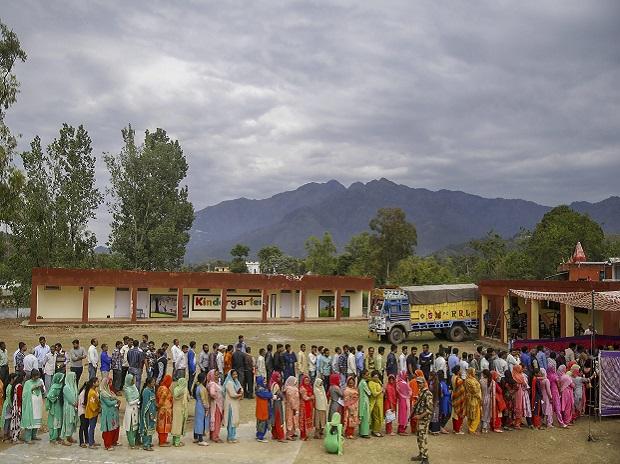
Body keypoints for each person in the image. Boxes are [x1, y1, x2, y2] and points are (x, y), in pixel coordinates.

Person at [411, 376, 433, 464]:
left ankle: (425, 458)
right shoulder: (421, 392)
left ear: (424, 383)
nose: (419, 384)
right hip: (420, 418)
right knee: (419, 437)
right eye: (418, 383)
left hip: (424, 419)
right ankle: (421, 454)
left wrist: (420, 416)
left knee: (423, 438)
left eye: (420, 383)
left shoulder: (428, 394)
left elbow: (429, 409)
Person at [21, 370, 44, 443]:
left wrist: (41, 388)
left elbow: (43, 392)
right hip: (30, 405)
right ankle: (28, 438)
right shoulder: (28, 383)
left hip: (38, 405)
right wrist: (33, 388)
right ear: (32, 376)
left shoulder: (40, 381)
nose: (37, 378)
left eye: (38, 376)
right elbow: (24, 394)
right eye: (36, 376)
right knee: (30, 420)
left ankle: (34, 435)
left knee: (37, 420)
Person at [99, 377, 120, 451]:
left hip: (112, 412)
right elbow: (108, 403)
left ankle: (113, 441)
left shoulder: (109, 392)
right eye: (109, 383)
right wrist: (116, 401)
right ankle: (107, 445)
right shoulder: (103, 393)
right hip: (107, 413)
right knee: (108, 429)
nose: (110, 384)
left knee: (113, 427)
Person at [222, 369, 243, 443]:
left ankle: (233, 436)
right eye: (234, 374)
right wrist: (239, 395)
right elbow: (232, 394)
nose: (235, 376)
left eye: (236, 374)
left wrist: (240, 393)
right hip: (230, 404)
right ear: (230, 375)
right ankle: (230, 437)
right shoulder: (229, 383)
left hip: (235, 404)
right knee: (231, 420)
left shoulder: (236, 382)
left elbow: (241, 389)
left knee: (234, 420)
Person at [46, 372, 65, 444]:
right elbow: (49, 396)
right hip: (55, 406)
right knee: (55, 421)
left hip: (60, 406)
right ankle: (53, 438)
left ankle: (58, 436)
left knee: (60, 420)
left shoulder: (61, 386)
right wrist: (56, 398)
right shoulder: (54, 387)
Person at [61, 371, 79, 445]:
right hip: (68, 407)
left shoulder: (74, 386)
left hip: (74, 407)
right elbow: (70, 398)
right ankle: (64, 438)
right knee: (67, 422)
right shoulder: (66, 388)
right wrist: (75, 403)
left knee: (72, 423)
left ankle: (69, 436)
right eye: (73, 377)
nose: (74, 379)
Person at [123, 373, 141, 448]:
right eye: (132, 379)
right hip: (130, 410)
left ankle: (137, 441)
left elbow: (138, 395)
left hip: (136, 409)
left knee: (136, 427)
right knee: (130, 427)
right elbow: (130, 402)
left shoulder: (134, 387)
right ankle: (131, 443)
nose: (134, 380)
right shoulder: (126, 389)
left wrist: (138, 401)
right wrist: (137, 400)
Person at [512, 364, 532, 429]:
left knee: (517, 407)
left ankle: (516, 423)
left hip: (516, 393)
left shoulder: (513, 376)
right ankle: (517, 424)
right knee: (520, 406)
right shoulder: (521, 376)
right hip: (521, 393)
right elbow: (525, 385)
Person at [140, 376, 157, 451]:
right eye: (153, 382)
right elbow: (146, 404)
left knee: (151, 427)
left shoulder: (152, 390)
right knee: (146, 428)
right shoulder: (146, 391)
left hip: (152, 412)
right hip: (147, 413)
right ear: (149, 383)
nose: (154, 383)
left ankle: (149, 442)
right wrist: (150, 413)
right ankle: (145, 444)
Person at [171, 377, 189, 447]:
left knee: (175, 424)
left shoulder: (176, 389)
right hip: (181, 409)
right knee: (179, 425)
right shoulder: (184, 390)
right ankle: (177, 442)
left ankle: (174, 440)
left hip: (175, 408)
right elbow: (188, 398)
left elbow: (175, 396)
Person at [156, 374, 173, 446]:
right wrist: (161, 406)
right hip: (165, 410)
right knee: (164, 426)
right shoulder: (165, 389)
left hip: (163, 410)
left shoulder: (161, 387)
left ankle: (163, 440)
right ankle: (162, 442)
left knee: (162, 425)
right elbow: (162, 400)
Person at [83, 377, 101, 449]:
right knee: (91, 427)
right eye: (97, 382)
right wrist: (97, 409)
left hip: (95, 412)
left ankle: (92, 441)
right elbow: (92, 404)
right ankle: (90, 443)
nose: (98, 383)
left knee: (93, 427)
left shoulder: (94, 391)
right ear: (93, 383)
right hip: (92, 412)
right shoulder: (92, 393)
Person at [193, 372, 210, 446]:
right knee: (201, 422)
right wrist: (207, 408)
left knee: (197, 421)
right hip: (201, 406)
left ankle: (196, 437)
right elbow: (204, 400)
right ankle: (200, 439)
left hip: (197, 405)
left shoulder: (197, 387)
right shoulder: (202, 388)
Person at [207, 369, 224, 442]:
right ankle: (215, 436)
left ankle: (212, 435)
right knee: (217, 421)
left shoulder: (214, 383)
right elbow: (212, 393)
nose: (217, 376)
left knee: (214, 420)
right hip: (216, 404)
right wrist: (216, 396)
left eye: (218, 375)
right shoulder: (212, 384)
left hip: (217, 404)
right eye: (215, 375)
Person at [254, 375, 272, 442]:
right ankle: (260, 436)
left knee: (261, 422)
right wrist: (271, 395)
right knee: (262, 423)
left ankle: (259, 435)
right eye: (263, 381)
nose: (265, 382)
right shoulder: (260, 390)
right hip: (262, 409)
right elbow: (267, 395)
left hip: (263, 409)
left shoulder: (262, 388)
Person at [269, 371, 286, 442]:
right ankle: (280, 436)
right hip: (277, 404)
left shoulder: (271, 383)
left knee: (274, 419)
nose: (280, 378)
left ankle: (274, 434)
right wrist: (283, 395)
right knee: (279, 419)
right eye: (278, 377)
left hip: (273, 404)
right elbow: (279, 395)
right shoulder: (276, 385)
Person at [464, 367, 481, 434]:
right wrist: (479, 396)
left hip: (470, 398)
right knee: (476, 415)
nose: (475, 373)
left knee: (471, 413)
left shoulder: (469, 379)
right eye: (474, 371)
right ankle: (472, 429)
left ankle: (470, 428)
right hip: (474, 398)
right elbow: (474, 390)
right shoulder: (469, 380)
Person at [283, 375, 300, 440]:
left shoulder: (294, 388)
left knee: (294, 420)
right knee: (290, 420)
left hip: (295, 407)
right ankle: (288, 434)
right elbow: (290, 399)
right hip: (290, 408)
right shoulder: (289, 389)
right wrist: (294, 407)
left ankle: (292, 432)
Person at [368, 370, 384, 437]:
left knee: (380, 417)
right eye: (375, 377)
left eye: (377, 377)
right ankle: (375, 431)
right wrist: (381, 390)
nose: (376, 378)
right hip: (375, 403)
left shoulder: (379, 382)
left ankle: (375, 429)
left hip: (380, 402)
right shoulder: (371, 383)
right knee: (377, 417)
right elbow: (374, 394)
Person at [1, 373, 17, 441]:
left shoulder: (8, 386)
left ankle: (6, 435)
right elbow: (10, 399)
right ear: (12, 379)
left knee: (7, 420)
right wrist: (12, 407)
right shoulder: (10, 387)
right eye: (15, 378)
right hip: (8, 405)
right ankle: (5, 435)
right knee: (7, 421)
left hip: (6, 404)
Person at [450, 365, 465, 434]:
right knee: (458, 413)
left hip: (454, 395)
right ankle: (457, 429)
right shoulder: (459, 379)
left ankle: (455, 429)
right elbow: (462, 389)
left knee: (454, 413)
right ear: (458, 371)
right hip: (458, 397)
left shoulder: (453, 377)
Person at [299, 374, 314, 440]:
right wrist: (311, 397)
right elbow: (305, 398)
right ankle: (303, 435)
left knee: (308, 419)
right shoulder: (302, 388)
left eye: (308, 380)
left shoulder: (309, 387)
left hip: (309, 406)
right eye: (306, 381)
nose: (307, 382)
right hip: (304, 406)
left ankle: (306, 434)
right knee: (303, 420)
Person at [396, 371, 412, 435]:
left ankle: (401, 429)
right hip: (404, 401)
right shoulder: (403, 383)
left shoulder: (398, 382)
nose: (406, 376)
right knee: (404, 414)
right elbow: (409, 392)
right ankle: (401, 430)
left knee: (402, 414)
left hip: (401, 400)